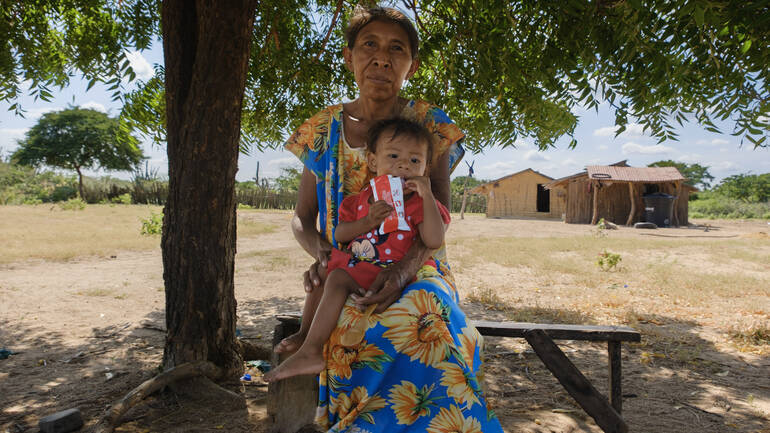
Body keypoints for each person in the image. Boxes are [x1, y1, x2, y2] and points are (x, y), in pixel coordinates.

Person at [281, 5, 504, 432]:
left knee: (426, 315)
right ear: (349, 57)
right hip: (352, 262)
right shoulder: (322, 129)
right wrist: (321, 253)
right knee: (350, 326)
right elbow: (300, 218)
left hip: (419, 260)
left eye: (395, 49)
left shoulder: (430, 124)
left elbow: (438, 212)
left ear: (411, 65)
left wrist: (404, 271)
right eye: (369, 45)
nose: (381, 58)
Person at [265, 118, 451, 383]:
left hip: (389, 272)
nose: (403, 165)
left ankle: (312, 351)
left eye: (414, 161)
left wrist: (428, 196)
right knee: (323, 268)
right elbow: (341, 234)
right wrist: (367, 222)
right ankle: (305, 334)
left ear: (425, 169)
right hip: (361, 263)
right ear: (373, 162)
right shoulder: (362, 199)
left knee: (338, 277)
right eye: (394, 156)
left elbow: (433, 240)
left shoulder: (419, 204)